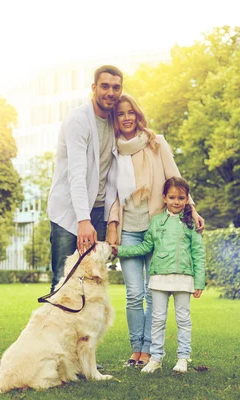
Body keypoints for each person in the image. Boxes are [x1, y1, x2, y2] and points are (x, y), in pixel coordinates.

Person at [106, 94, 204, 367]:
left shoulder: (156, 142)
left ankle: (149, 352)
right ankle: (135, 349)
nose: (126, 118)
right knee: (134, 293)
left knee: (152, 293)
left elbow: (176, 177)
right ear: (116, 119)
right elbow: (112, 192)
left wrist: (191, 208)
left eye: (131, 112)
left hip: (155, 227)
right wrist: (113, 226)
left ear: (138, 115)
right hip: (128, 229)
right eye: (121, 114)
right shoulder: (113, 150)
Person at [113, 176, 205, 374]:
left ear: (187, 199)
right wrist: (120, 251)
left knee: (183, 319)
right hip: (159, 278)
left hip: (183, 278)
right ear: (164, 198)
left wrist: (199, 282)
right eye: (172, 197)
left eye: (181, 198)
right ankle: (155, 358)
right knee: (157, 319)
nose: (176, 202)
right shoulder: (155, 222)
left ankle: (183, 358)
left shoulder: (190, 223)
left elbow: (198, 253)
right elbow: (146, 246)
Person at [47, 65, 123, 293]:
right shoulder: (78, 120)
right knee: (64, 280)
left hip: (99, 211)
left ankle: (84, 329)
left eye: (116, 87)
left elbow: (116, 176)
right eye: (105, 86)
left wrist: (112, 223)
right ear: (94, 88)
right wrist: (83, 221)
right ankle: (55, 328)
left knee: (93, 280)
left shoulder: (115, 121)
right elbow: (77, 175)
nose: (110, 92)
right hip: (69, 212)